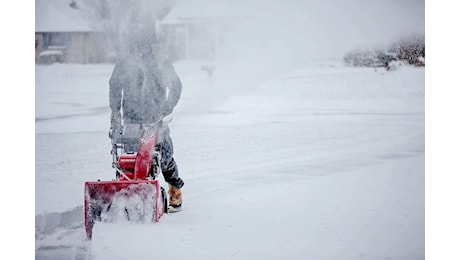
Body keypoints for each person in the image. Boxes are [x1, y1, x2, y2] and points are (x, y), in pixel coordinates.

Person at [108, 31, 184, 212]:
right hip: (131, 118)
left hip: (156, 117)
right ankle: (128, 192)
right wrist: (115, 111)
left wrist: (167, 108)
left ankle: (175, 188)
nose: (139, 50)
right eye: (136, 46)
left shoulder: (160, 64)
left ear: (148, 47)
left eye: (143, 46)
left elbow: (176, 86)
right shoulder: (124, 65)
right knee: (131, 158)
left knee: (164, 155)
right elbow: (115, 86)